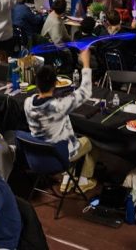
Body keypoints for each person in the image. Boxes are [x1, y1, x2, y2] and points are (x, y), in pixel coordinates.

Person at [24, 58, 99, 192]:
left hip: (37, 154)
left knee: (66, 135)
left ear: (37, 83)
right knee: (90, 141)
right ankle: (83, 180)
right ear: (55, 84)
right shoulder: (58, 106)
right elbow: (85, 91)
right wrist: (86, 64)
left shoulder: (28, 102)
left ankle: (66, 180)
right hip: (58, 156)